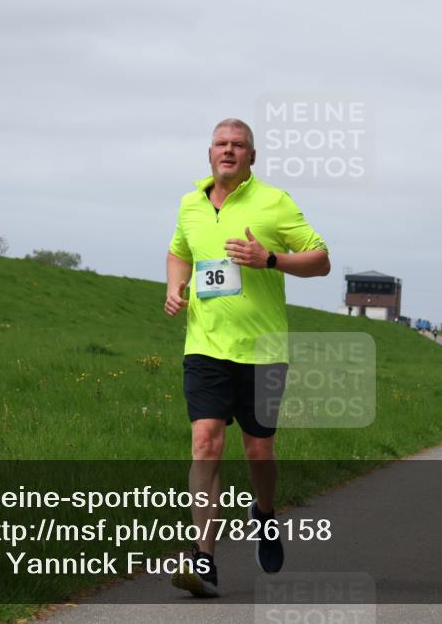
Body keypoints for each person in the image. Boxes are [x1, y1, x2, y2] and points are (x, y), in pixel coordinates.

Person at [165, 118, 330, 597]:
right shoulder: (189, 203)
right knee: (205, 442)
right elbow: (179, 252)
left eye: (239, 145)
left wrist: (270, 259)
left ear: (252, 157)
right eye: (221, 143)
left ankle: (263, 512)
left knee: (258, 450)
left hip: (263, 350)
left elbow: (320, 260)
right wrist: (175, 285)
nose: (229, 150)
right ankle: (205, 560)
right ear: (209, 152)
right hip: (205, 345)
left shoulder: (274, 203)